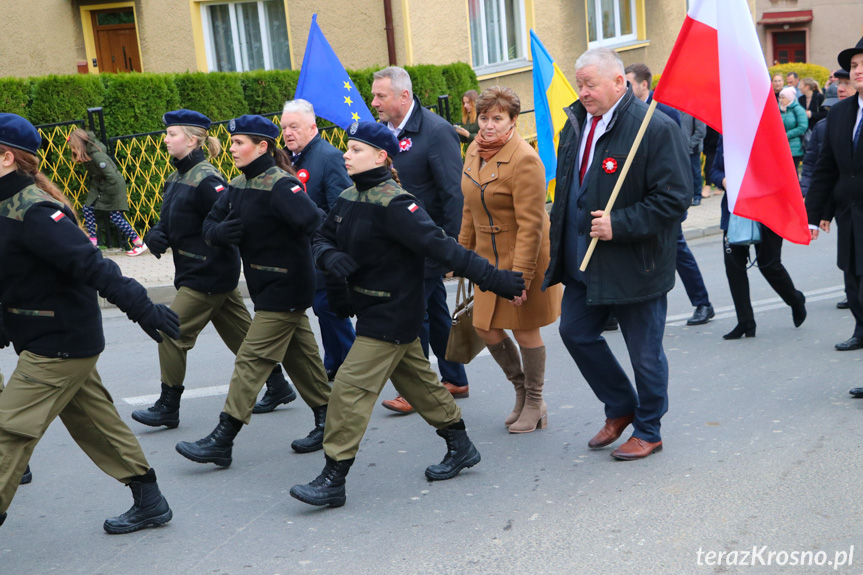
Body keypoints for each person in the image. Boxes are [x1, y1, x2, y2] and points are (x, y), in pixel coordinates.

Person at [289, 121, 524, 508]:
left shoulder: (397, 203)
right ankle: (460, 444)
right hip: (370, 307)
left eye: (356, 150)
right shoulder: (350, 196)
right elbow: (321, 237)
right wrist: (330, 256)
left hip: (394, 312)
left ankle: (334, 477)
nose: (346, 154)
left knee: (348, 390)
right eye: (347, 148)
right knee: (420, 384)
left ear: (381, 156)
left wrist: (496, 279)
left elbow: (444, 248)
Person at [0, 113, 180, 533]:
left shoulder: (37, 211)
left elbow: (93, 265)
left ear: (7, 157)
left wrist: (141, 305)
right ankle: (149, 499)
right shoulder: (5, 205)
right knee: (95, 422)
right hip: (46, 336)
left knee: (8, 431)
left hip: (59, 341)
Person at [545, 48, 690, 461]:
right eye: (579, 83)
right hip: (583, 259)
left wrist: (619, 225)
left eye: (591, 83)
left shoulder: (654, 128)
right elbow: (568, 193)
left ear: (619, 83)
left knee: (644, 353)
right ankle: (621, 406)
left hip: (635, 264)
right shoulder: (574, 124)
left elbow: (676, 200)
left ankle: (649, 428)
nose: (583, 91)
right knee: (574, 332)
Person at [174, 115, 332, 466]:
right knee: (300, 356)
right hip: (264, 285)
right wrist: (220, 233)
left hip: (287, 285)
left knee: (251, 359)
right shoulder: (238, 185)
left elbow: (316, 223)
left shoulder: (281, 185)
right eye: (231, 143)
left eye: (239, 143)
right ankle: (329, 421)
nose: (231, 149)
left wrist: (332, 265)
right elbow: (210, 224)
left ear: (262, 147)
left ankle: (223, 437)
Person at [130, 110, 294, 430]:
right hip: (200, 270)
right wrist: (158, 234)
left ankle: (168, 404)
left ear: (192, 140)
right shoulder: (177, 175)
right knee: (245, 338)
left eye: (172, 134)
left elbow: (224, 223)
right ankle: (278, 385)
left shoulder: (208, 179)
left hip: (208, 272)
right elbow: (174, 219)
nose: (165, 139)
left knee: (170, 333)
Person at [459, 86, 562, 432]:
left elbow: (532, 226)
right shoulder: (475, 149)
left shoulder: (525, 160)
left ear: (513, 121)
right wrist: (462, 253)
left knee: (524, 328)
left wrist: (522, 277)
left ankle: (535, 400)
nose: (487, 126)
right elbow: (469, 206)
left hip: (523, 253)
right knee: (483, 326)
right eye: (484, 117)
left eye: (497, 119)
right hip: (488, 256)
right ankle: (521, 391)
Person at [370, 66, 470, 414]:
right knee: (436, 312)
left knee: (414, 313)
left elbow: (452, 195)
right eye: (375, 95)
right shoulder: (382, 131)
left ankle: (416, 389)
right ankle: (454, 377)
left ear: (404, 96)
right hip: (399, 241)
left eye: (381, 95)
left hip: (428, 240)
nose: (374, 102)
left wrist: (450, 247)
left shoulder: (437, 131)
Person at [626, 63, 714, 326]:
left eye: (629, 84)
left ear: (644, 85)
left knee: (676, 248)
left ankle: (703, 303)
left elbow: (676, 158)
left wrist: (680, 199)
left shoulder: (665, 111)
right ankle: (620, 309)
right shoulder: (625, 113)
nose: (625, 90)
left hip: (664, 196)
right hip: (637, 196)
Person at [279, 98, 356, 400]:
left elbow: (340, 205)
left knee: (328, 306)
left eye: (294, 126)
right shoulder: (288, 159)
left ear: (312, 127)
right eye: (284, 127)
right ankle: (334, 362)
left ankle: (352, 366)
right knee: (322, 308)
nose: (287, 133)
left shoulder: (329, 157)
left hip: (324, 247)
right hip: (302, 250)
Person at [805, 38, 863, 397]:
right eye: (855, 65)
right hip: (850, 222)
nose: (858, 71)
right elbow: (827, 169)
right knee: (856, 295)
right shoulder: (840, 113)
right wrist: (816, 214)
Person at [709, 138, 807, 340]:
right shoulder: (726, 134)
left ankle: (795, 299)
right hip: (735, 213)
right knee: (734, 267)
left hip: (768, 211)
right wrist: (723, 180)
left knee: (769, 265)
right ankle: (745, 322)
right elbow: (714, 171)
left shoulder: (767, 132)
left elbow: (784, 175)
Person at [801, 69, 853, 312]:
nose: (842, 89)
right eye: (839, 83)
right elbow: (825, 170)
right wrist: (819, 213)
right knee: (851, 265)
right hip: (848, 207)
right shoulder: (831, 122)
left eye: (846, 83)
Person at [67, 129, 147, 256]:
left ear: (80, 146)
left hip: (112, 187)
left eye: (74, 148)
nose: (73, 151)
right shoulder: (89, 154)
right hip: (100, 185)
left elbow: (112, 178)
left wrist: (104, 193)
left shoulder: (97, 156)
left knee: (115, 217)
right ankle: (93, 243)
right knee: (87, 209)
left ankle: (139, 243)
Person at [778, 86, 808, 169]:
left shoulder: (798, 109)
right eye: (779, 97)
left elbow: (802, 126)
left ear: (789, 98)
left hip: (794, 147)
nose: (780, 100)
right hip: (780, 145)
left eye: (783, 98)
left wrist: (786, 135)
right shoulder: (778, 109)